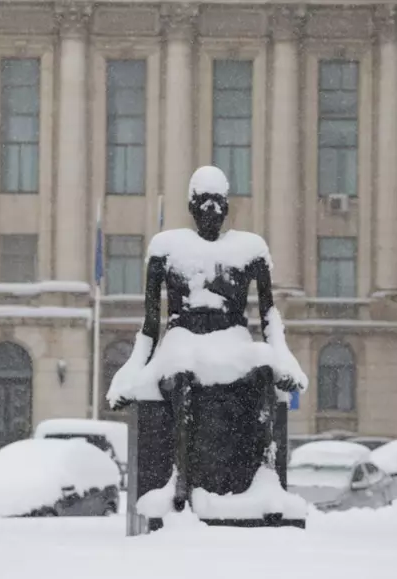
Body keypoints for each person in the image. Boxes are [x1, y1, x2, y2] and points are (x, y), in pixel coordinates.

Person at [107, 166, 307, 512]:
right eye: (203, 202)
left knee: (261, 368)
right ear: (191, 207)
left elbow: (269, 317)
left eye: (217, 203)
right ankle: (182, 477)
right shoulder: (165, 249)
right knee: (184, 375)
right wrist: (132, 372)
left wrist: (283, 360)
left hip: (232, 341)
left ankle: (265, 476)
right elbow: (151, 325)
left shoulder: (250, 249)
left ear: (227, 208)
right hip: (183, 341)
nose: (210, 211)